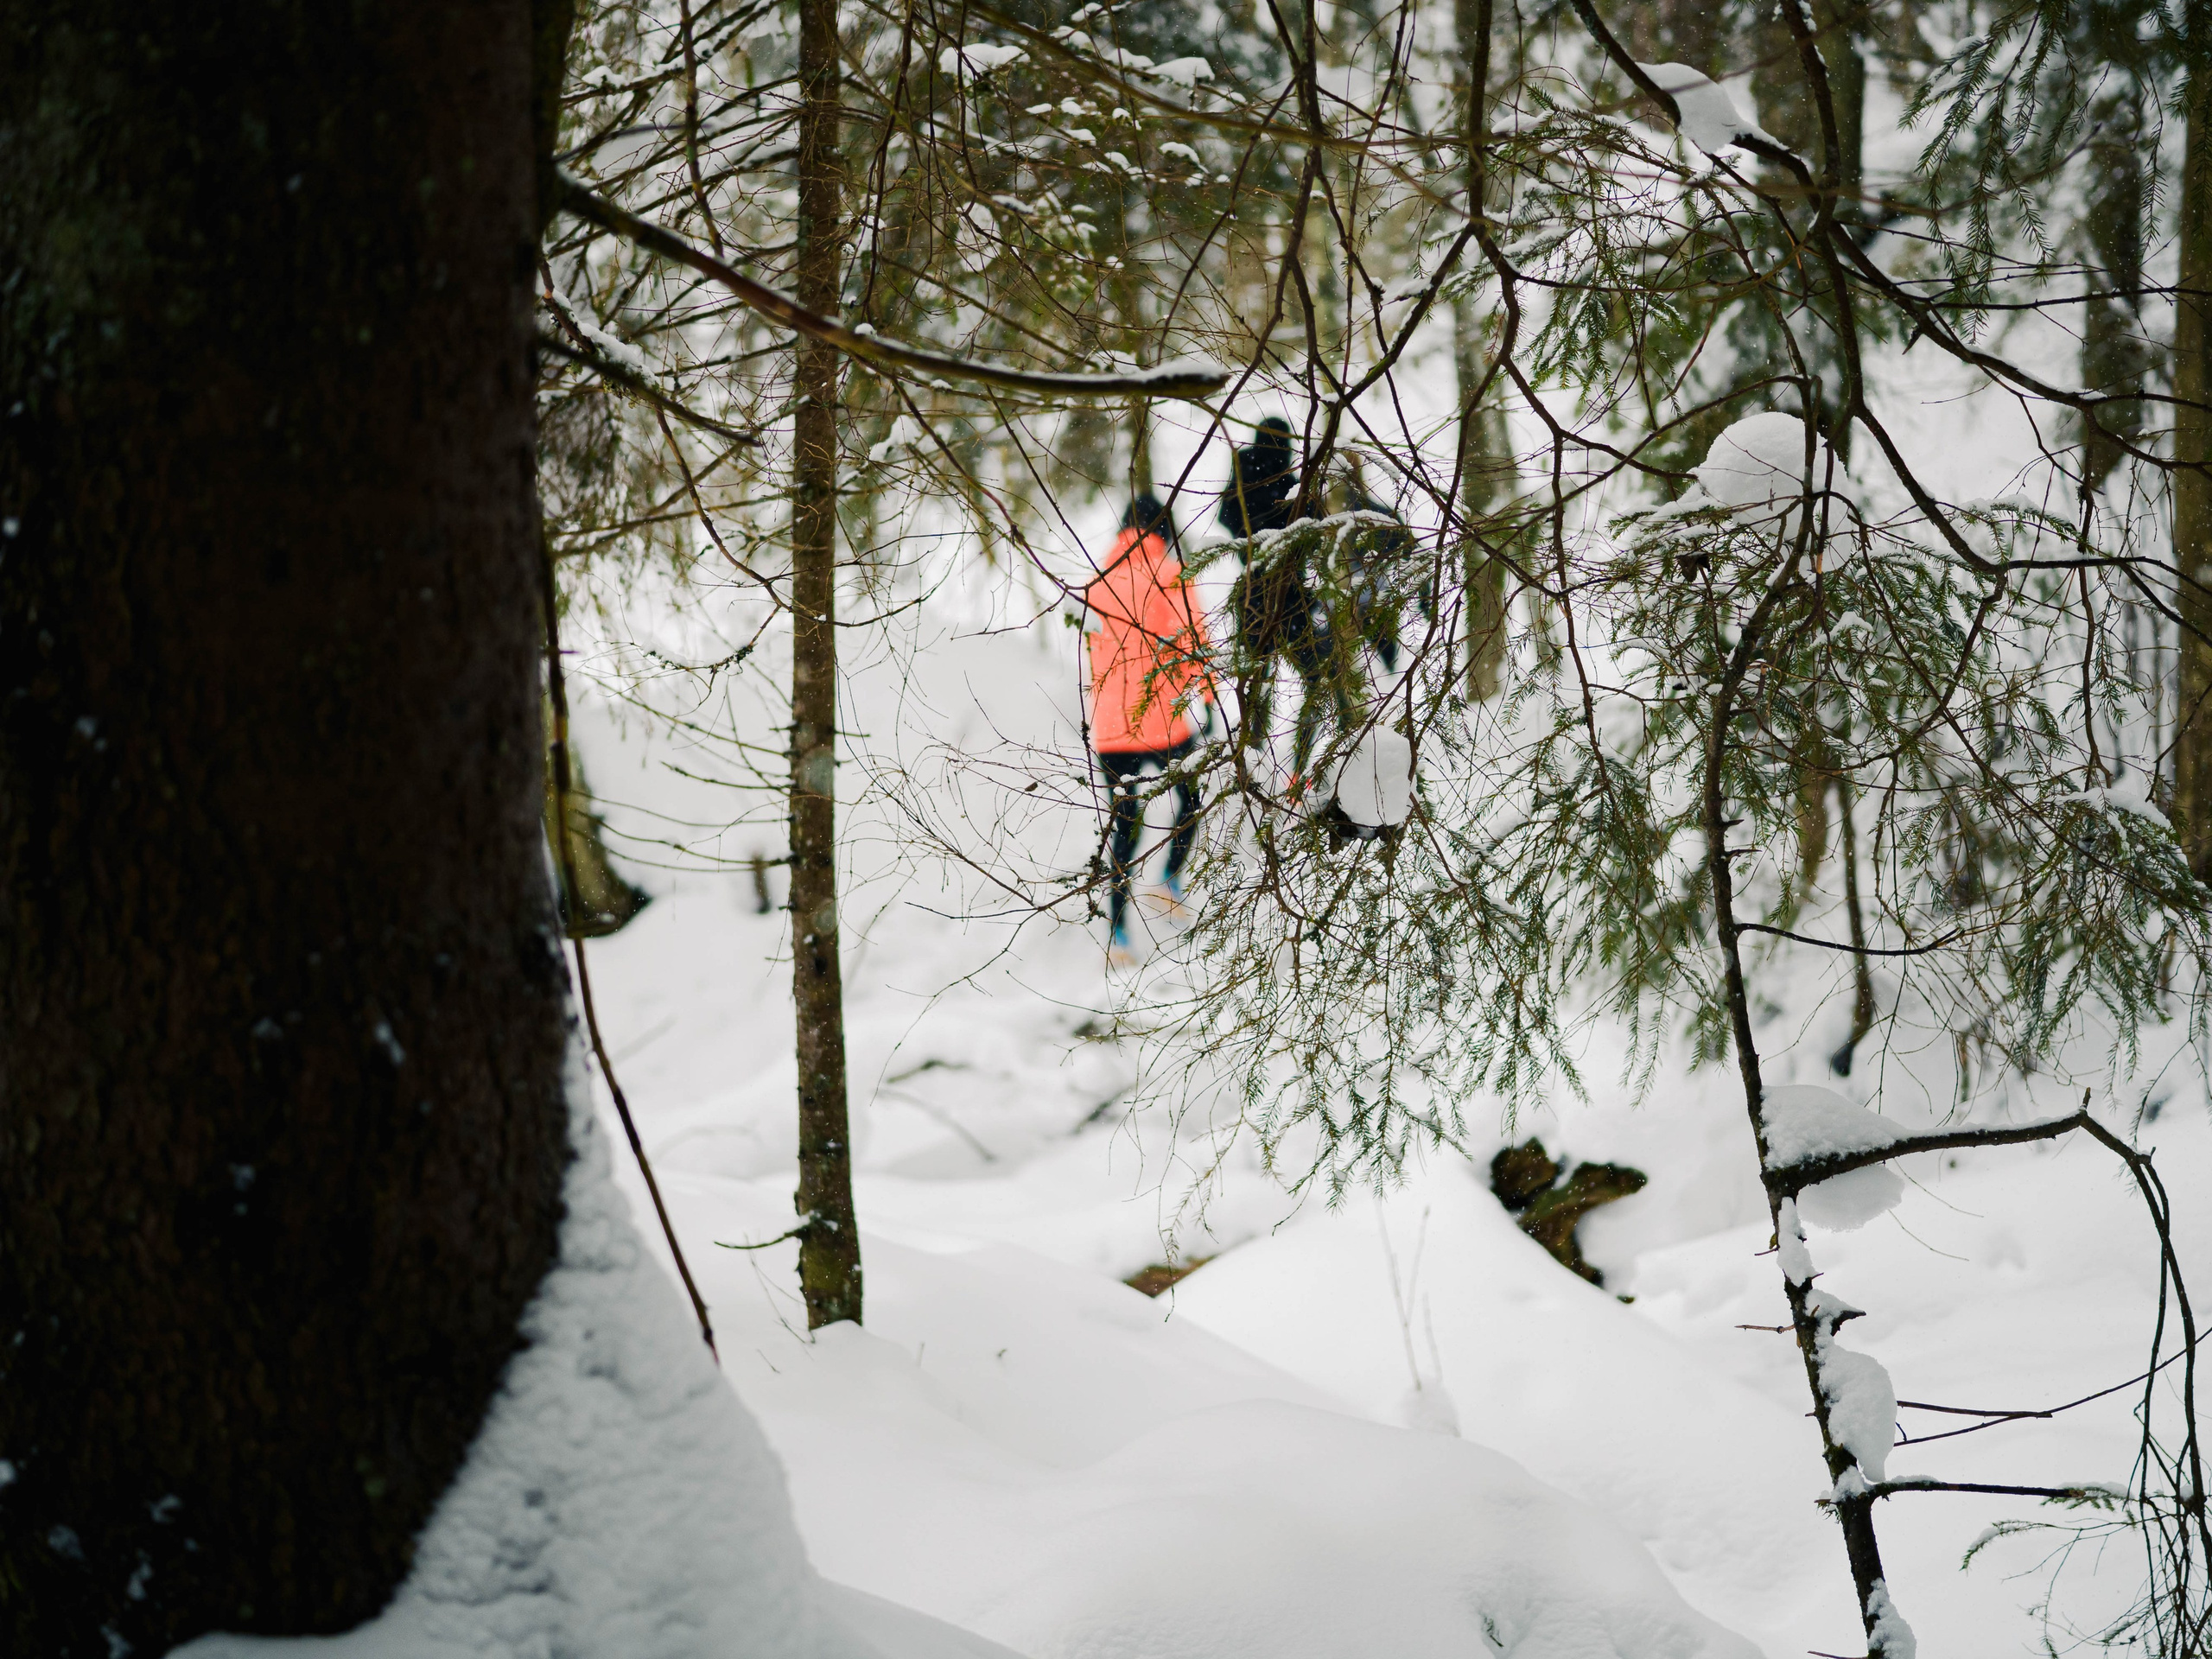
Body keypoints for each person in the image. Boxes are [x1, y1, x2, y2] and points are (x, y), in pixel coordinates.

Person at [1081, 493, 1213, 959]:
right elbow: (1194, 640)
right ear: (1165, 527)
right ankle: (1169, 881)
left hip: (1112, 727)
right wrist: (1210, 696)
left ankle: (1117, 932)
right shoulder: (1171, 576)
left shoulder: (1097, 582)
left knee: (1125, 825)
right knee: (1192, 798)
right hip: (1164, 720)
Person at [1216, 416, 1349, 785]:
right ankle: (1303, 763)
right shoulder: (1291, 484)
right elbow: (1315, 524)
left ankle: (1254, 758)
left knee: (1258, 681)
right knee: (1318, 677)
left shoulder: (1244, 479)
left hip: (1252, 595)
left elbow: (1228, 518)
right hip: (1291, 595)